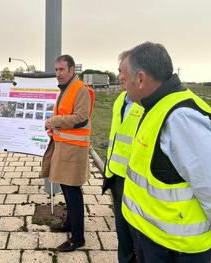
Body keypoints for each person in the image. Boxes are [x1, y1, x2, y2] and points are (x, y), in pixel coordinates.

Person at [120, 42, 211, 262]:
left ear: (141, 79)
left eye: (124, 77)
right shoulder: (155, 105)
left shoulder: (180, 117)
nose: (122, 85)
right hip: (154, 239)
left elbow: (209, 185)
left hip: (176, 249)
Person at [42, 54, 95, 252]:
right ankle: (70, 224)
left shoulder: (80, 89)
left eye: (62, 70)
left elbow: (81, 118)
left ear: (72, 70)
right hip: (64, 147)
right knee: (66, 188)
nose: (58, 74)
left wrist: (54, 121)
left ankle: (78, 238)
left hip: (74, 150)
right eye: (56, 70)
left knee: (73, 192)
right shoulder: (67, 89)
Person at [102, 52, 144, 263]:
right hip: (117, 178)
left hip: (138, 182)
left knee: (138, 238)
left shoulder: (146, 103)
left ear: (138, 74)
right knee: (123, 235)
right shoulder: (120, 100)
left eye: (122, 71)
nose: (119, 76)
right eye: (118, 71)